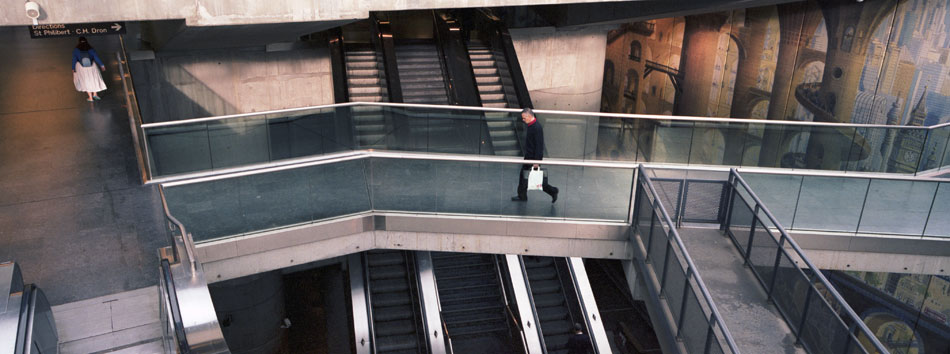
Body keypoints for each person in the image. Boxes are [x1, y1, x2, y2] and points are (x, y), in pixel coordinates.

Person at [512, 108, 559, 203]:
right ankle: (522, 195)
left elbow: (539, 145)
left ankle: (553, 191)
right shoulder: (532, 125)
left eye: (524, 118)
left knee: (533, 178)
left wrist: (536, 161)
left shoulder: (536, 127)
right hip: (530, 156)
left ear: (529, 116)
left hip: (533, 158)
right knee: (524, 175)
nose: (523, 120)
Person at [72, 37, 107, 102]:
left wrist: (73, 68)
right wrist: (102, 65)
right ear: (86, 41)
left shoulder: (76, 50)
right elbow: (96, 57)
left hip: (81, 68)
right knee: (94, 79)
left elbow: (74, 59)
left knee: (85, 81)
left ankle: (90, 97)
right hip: (92, 66)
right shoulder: (90, 49)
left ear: (79, 42)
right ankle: (95, 94)